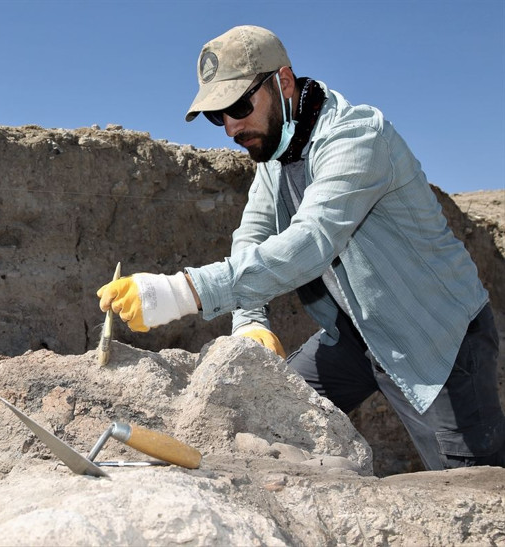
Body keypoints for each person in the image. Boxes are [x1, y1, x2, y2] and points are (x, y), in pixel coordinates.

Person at [97, 25, 503, 470]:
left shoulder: (357, 137)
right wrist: (250, 322)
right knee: (266, 413)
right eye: (218, 116)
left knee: (469, 483)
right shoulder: (277, 152)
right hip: (354, 335)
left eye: (238, 106)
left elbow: (311, 242)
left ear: (283, 82)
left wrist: (176, 293)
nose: (231, 127)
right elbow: (251, 237)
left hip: (435, 339)